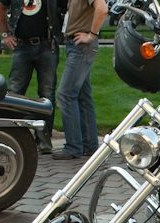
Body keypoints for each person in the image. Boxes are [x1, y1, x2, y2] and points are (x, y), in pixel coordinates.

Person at [0, 0, 68, 154]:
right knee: (14, 93)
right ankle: (11, 137)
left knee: (47, 93)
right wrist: (5, 34)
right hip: (21, 45)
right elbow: (1, 7)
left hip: (47, 44)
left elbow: (67, 8)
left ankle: (43, 140)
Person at [52, 0, 108, 160]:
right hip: (76, 44)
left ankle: (73, 146)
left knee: (66, 94)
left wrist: (91, 35)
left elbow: (102, 9)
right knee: (83, 97)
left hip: (81, 47)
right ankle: (90, 145)